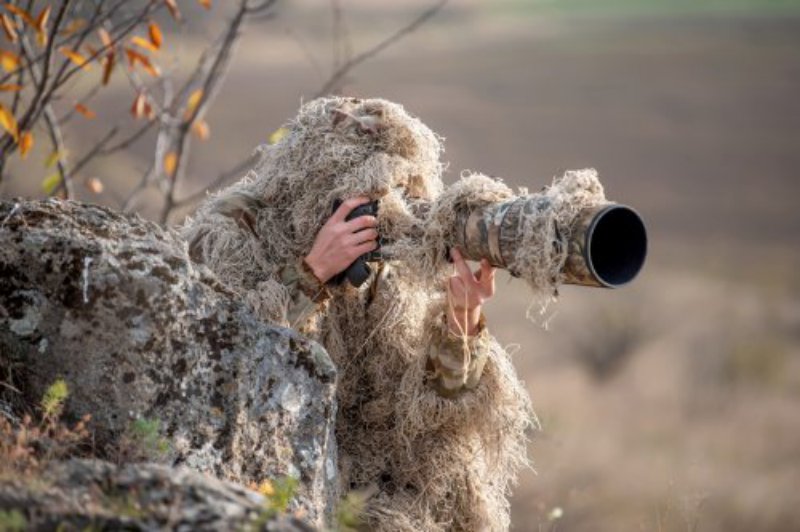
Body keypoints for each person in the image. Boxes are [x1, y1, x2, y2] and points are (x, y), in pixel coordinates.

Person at [184, 96, 533, 531]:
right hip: (267, 468)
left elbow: (434, 416)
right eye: (365, 194)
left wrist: (462, 317)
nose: (385, 210)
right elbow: (215, 368)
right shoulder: (235, 230)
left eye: (396, 191)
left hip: (368, 487)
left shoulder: (397, 255)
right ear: (311, 181)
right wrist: (311, 275)